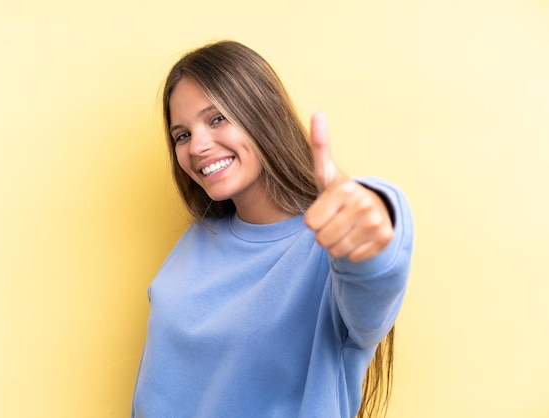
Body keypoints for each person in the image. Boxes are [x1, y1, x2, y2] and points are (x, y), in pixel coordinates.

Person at [132, 40, 414, 418]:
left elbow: (375, 277)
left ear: (266, 114)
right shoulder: (199, 238)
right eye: (182, 134)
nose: (197, 146)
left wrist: (375, 218)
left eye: (217, 119)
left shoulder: (329, 247)